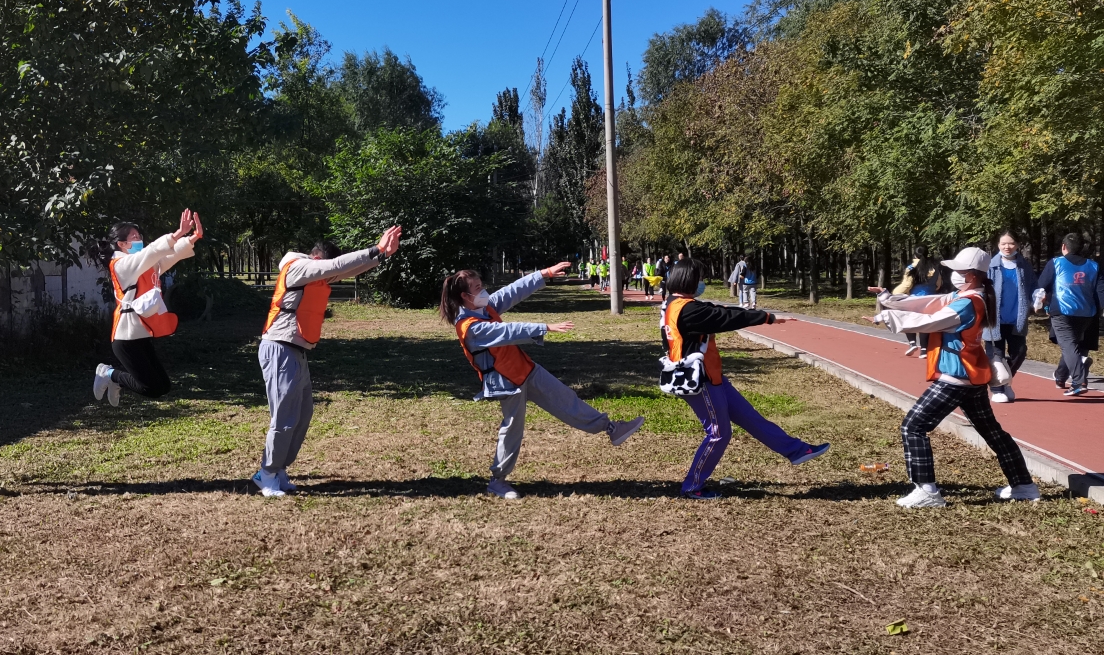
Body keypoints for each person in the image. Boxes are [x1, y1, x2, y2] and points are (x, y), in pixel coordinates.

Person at [442, 264, 644, 498]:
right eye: (478, 288)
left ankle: (611, 428)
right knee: (512, 430)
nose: (484, 291)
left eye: (481, 285)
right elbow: (508, 331)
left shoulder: (484, 307)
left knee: (566, 398)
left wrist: (544, 274)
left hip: (526, 370)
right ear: (465, 296)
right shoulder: (469, 327)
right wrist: (544, 327)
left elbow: (512, 291)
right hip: (507, 383)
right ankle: (497, 481)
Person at [869, 246, 1037, 507]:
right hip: (970, 376)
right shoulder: (969, 295)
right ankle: (1024, 486)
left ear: (972, 275)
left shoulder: (968, 303)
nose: (953, 274)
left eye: (959, 270)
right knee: (992, 432)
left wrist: (887, 315)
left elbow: (932, 320)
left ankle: (927, 491)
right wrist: (889, 299)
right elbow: (929, 303)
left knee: (913, 426)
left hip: (955, 377)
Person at [660, 258, 830, 499]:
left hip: (712, 376)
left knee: (750, 417)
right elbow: (726, 316)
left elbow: (717, 313)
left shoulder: (675, 304)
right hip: (700, 382)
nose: (702, 282)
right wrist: (767, 318)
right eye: (700, 278)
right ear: (689, 279)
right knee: (718, 433)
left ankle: (796, 451)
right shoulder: (689, 310)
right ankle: (692, 486)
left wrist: (765, 316)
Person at [255, 227, 402, 497]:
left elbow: (347, 269)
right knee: (285, 417)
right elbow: (336, 266)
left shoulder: (315, 271)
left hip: (296, 351)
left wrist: (381, 256)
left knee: (303, 414)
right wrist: (376, 248)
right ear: (315, 257)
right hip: (279, 348)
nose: (328, 272)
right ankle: (267, 473)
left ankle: (279, 468)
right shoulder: (298, 267)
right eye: (324, 264)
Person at [92, 209, 202, 406]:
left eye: (139, 236)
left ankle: (115, 379)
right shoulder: (121, 264)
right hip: (125, 339)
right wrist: (178, 233)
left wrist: (193, 238)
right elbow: (151, 252)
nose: (139, 239)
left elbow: (169, 256)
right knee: (152, 388)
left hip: (142, 334)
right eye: (134, 237)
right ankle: (109, 374)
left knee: (163, 386)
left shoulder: (146, 265)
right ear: (121, 244)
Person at [1033, 232, 1102, 396]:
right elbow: (1100, 291)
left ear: (1064, 246)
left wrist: (1038, 303)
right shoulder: (1093, 266)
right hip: (1086, 313)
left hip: (1062, 310)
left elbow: (1041, 285)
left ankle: (1078, 381)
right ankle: (1061, 376)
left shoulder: (1056, 263)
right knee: (1072, 345)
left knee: (1069, 345)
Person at [985, 231, 1038, 403]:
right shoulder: (990, 266)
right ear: (998, 245)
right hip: (995, 320)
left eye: (1011, 243)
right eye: (1003, 244)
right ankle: (996, 389)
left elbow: (1033, 286)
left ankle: (1006, 380)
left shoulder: (1024, 266)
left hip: (1016, 319)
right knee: (996, 355)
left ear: (1018, 245)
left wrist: (1038, 296)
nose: (1007, 247)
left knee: (1019, 352)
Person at [894, 246, 946, 357]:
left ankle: (912, 343)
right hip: (930, 300)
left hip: (914, 299)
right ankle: (923, 350)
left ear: (915, 255)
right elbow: (938, 284)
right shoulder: (934, 268)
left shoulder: (911, 268)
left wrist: (895, 294)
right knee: (925, 324)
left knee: (907, 319)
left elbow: (907, 285)